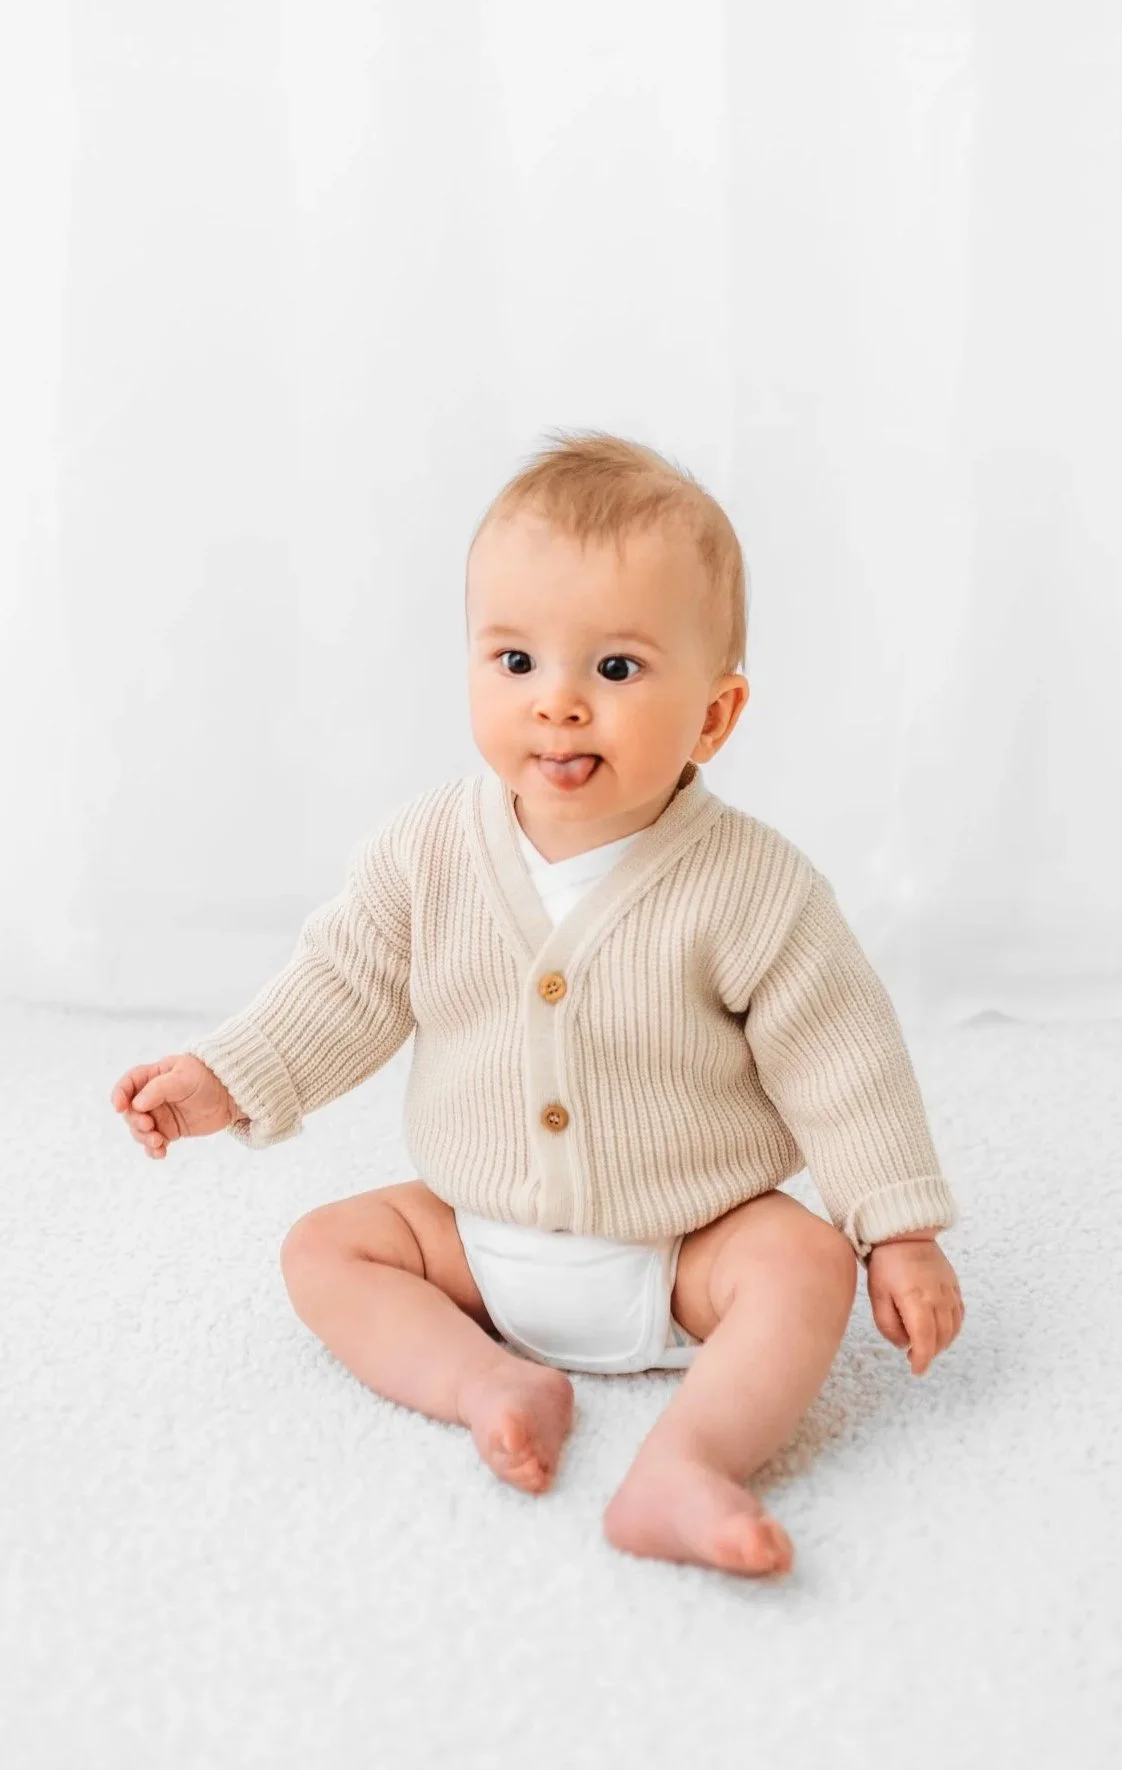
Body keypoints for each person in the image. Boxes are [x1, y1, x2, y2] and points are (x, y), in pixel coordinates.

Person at [111, 430, 965, 1579]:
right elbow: (345, 982)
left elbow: (841, 1058)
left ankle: (690, 1462)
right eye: (515, 662)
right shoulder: (428, 852)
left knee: (803, 1265)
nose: (557, 705)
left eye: (615, 670)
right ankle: (485, 1381)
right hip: (471, 1235)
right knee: (325, 1248)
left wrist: (894, 1228)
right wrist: (229, 1077)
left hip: (686, 1243)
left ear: (715, 717)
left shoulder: (755, 887)